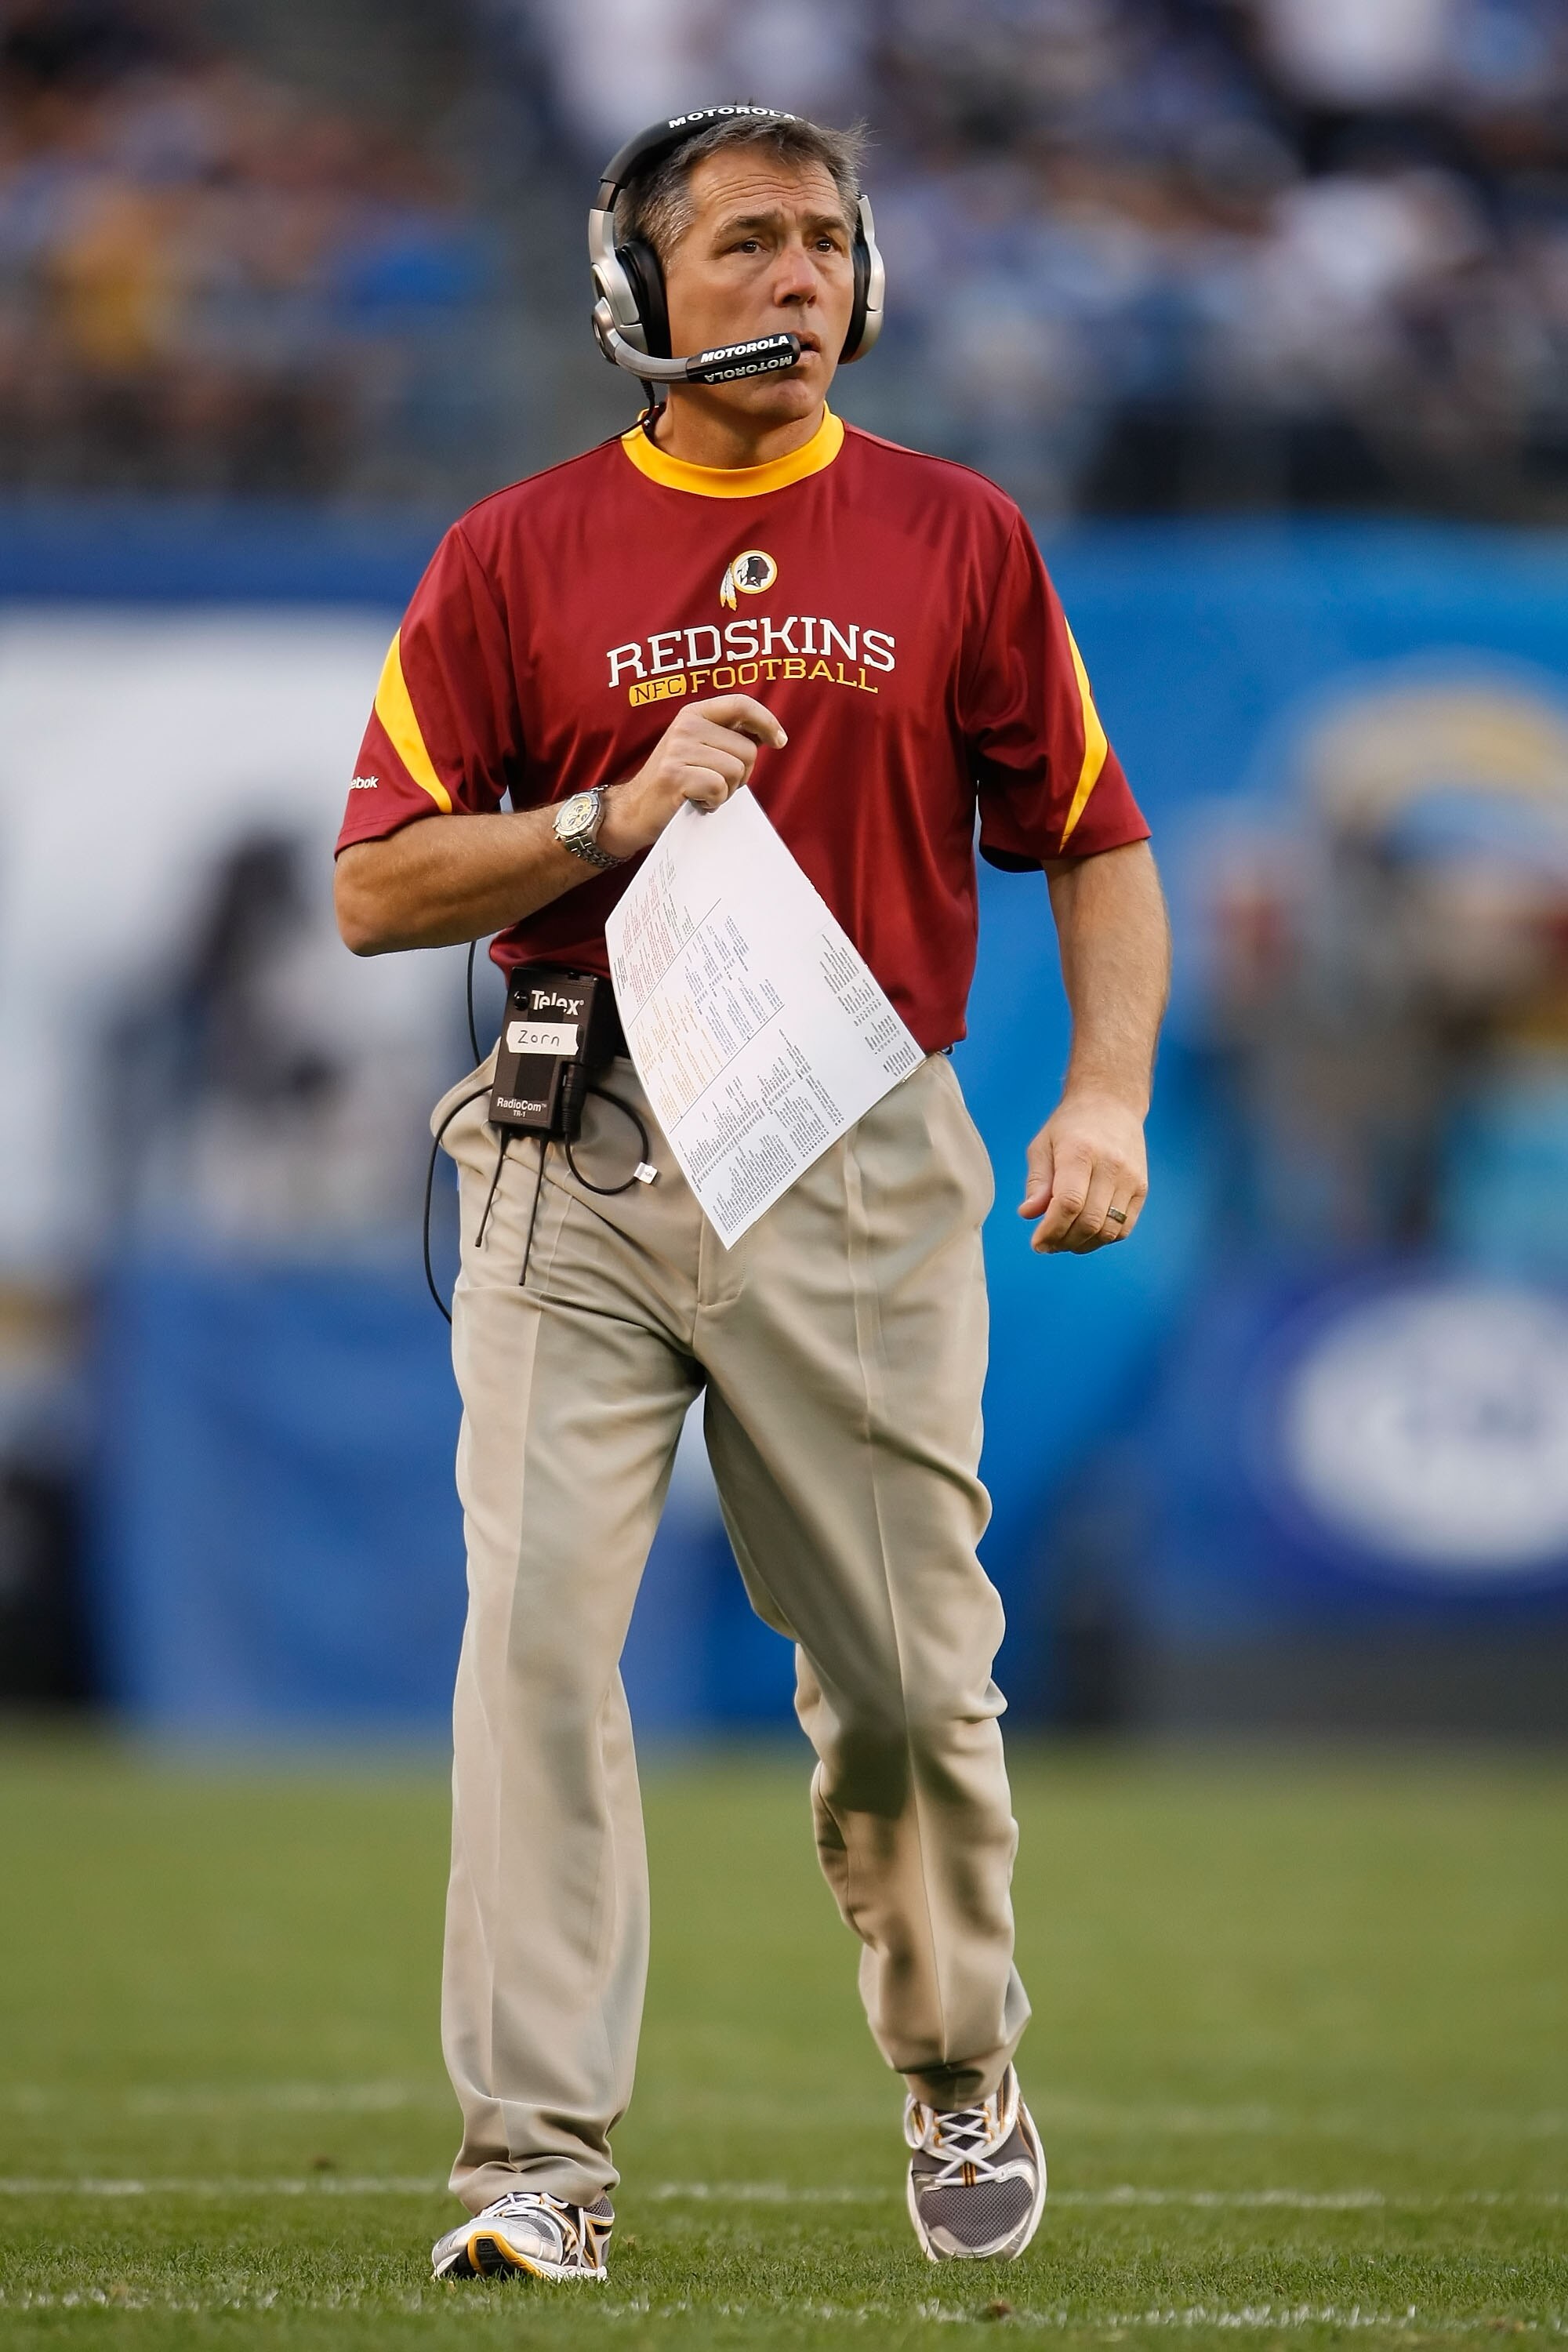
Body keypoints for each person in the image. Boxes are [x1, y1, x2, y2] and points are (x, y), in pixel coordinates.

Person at [334, 103, 1170, 2285]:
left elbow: (1090, 829)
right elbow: (375, 888)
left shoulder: (957, 534)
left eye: (826, 245)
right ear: (637, 297)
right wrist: (604, 816)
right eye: (744, 248)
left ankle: (956, 2047)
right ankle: (533, 2158)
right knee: (530, 1650)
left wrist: (1107, 1094)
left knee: (900, 1677)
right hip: (572, 1147)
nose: (796, 281)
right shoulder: (512, 553)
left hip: (855, 1152)